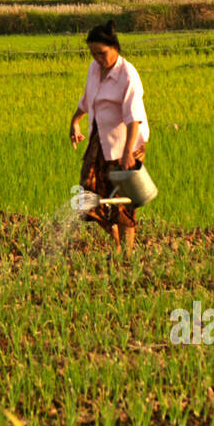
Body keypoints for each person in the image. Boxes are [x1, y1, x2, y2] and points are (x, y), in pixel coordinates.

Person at [69, 20, 149, 252]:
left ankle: (127, 253)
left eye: (102, 53)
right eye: (93, 53)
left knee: (123, 205)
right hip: (99, 140)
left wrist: (127, 155)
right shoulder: (94, 69)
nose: (98, 58)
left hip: (125, 144)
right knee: (89, 198)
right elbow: (87, 100)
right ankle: (116, 246)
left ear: (115, 47)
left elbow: (134, 118)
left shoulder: (127, 75)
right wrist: (75, 121)